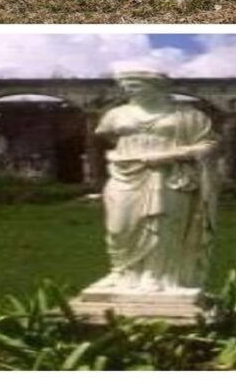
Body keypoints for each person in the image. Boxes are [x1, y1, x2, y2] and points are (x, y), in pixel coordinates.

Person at [91, 69, 220, 293]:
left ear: (156, 87)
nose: (127, 90)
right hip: (125, 173)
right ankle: (122, 271)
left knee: (164, 226)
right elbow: (107, 135)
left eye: (134, 85)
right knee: (119, 226)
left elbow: (210, 146)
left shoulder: (188, 116)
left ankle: (156, 275)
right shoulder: (115, 115)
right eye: (125, 85)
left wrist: (169, 155)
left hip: (170, 176)